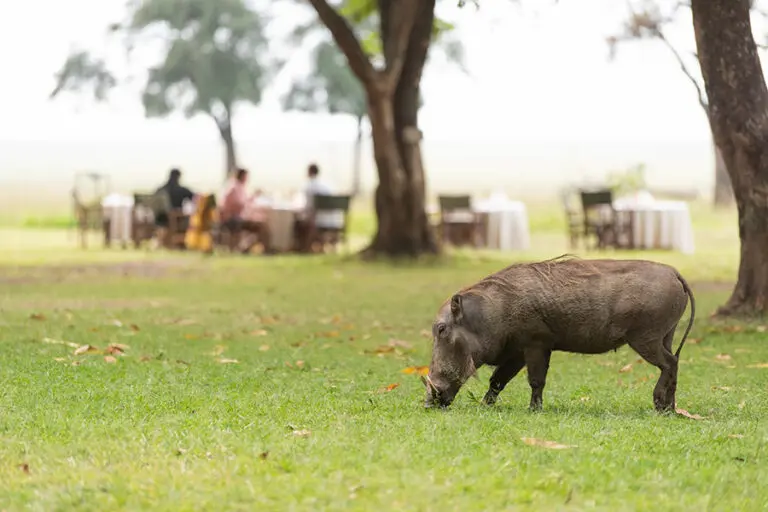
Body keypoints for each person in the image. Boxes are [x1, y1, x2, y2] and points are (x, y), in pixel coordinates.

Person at [220, 168, 273, 254]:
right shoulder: (234, 187)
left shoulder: (236, 186)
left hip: (233, 217)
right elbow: (239, 204)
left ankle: (244, 248)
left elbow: (243, 203)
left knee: (260, 225)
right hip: (231, 219)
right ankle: (250, 249)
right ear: (242, 176)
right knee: (262, 227)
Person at [295, 163, 344, 252]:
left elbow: (308, 207)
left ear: (308, 172)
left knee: (298, 223)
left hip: (319, 221)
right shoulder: (329, 185)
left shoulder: (309, 186)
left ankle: (304, 247)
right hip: (336, 222)